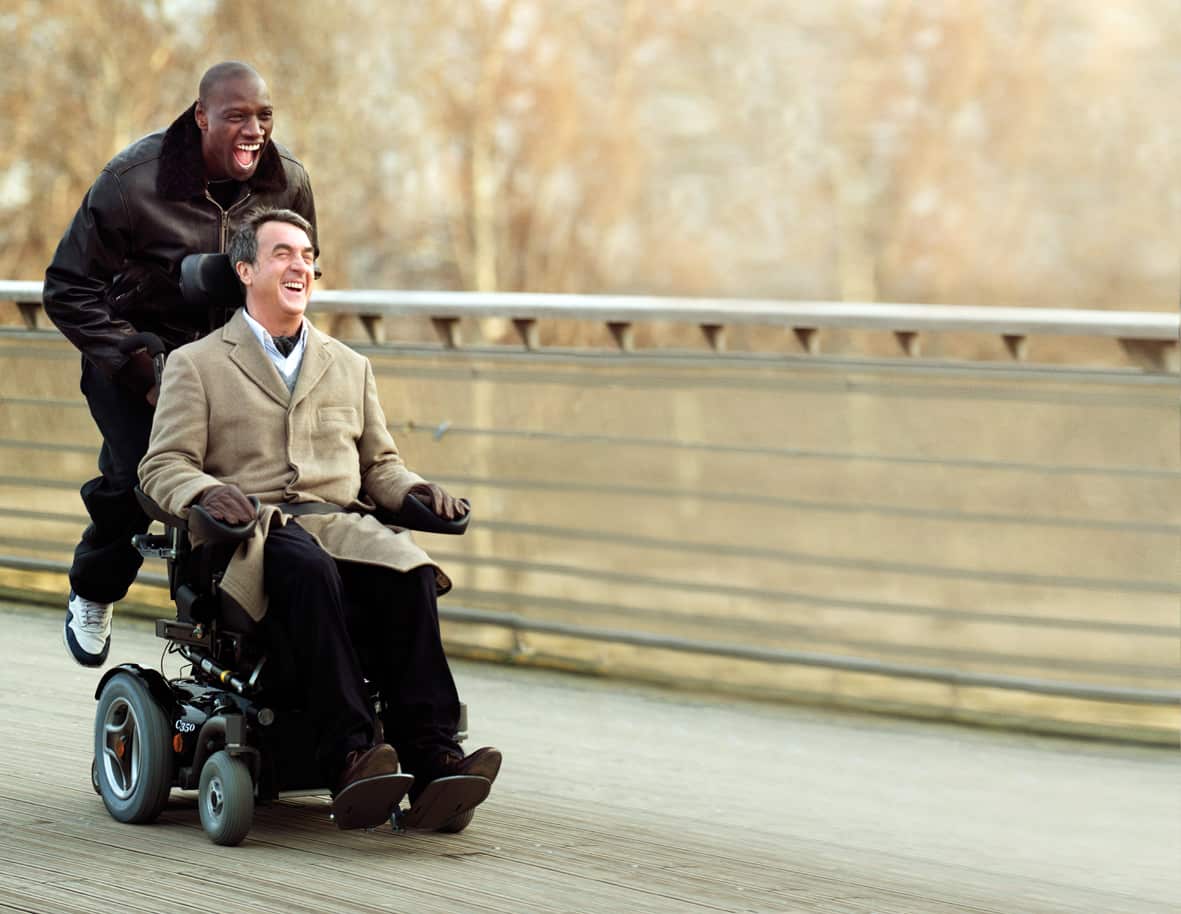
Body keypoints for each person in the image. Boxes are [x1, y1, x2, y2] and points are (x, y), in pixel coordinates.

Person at [138, 207, 500, 825]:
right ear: (245, 268)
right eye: (283, 253)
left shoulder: (349, 366)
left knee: (410, 570)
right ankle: (350, 754)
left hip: (338, 522)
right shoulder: (196, 364)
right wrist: (203, 493)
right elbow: (162, 463)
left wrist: (417, 490)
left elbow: (380, 466)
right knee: (308, 569)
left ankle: (434, 756)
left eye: (307, 256)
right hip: (250, 533)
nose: (299, 265)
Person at [44, 61, 317, 667]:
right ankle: (94, 589)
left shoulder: (287, 183)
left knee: (241, 489)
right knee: (137, 481)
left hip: (231, 363)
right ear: (201, 117)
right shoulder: (131, 182)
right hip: (135, 358)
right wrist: (136, 362)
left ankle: (223, 639)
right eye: (237, 116)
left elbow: (296, 275)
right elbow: (67, 288)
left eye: (264, 116)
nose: (254, 130)